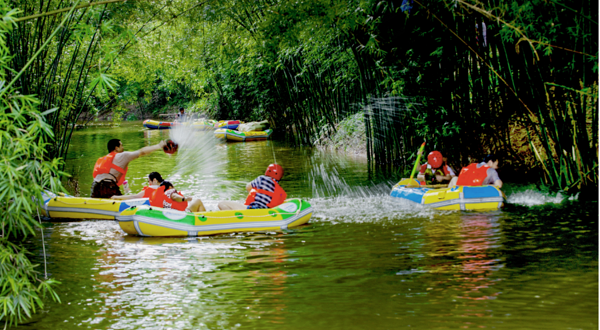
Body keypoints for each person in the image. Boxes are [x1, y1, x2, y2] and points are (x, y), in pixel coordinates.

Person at [91, 139, 167, 198]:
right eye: (121, 145)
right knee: (121, 202)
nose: (123, 148)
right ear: (116, 148)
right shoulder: (122, 155)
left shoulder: (102, 159)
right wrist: (159, 146)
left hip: (95, 186)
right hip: (108, 186)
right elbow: (142, 152)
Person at [218, 164, 287, 211]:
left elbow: (248, 187)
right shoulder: (279, 189)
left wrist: (254, 191)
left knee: (221, 204)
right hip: (266, 212)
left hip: (253, 209)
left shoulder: (261, 178)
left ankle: (232, 219)